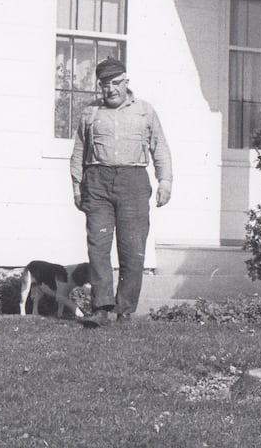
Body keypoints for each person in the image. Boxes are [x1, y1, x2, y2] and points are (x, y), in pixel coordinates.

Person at [70, 56, 172, 324]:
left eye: (116, 83)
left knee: (132, 247)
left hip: (134, 182)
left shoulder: (145, 111)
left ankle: (124, 310)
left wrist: (166, 181)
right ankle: (102, 308)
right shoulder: (90, 113)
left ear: (126, 82)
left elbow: (159, 147)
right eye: (105, 84)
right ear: (99, 86)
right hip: (97, 181)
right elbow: (79, 151)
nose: (111, 89)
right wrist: (76, 187)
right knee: (98, 246)